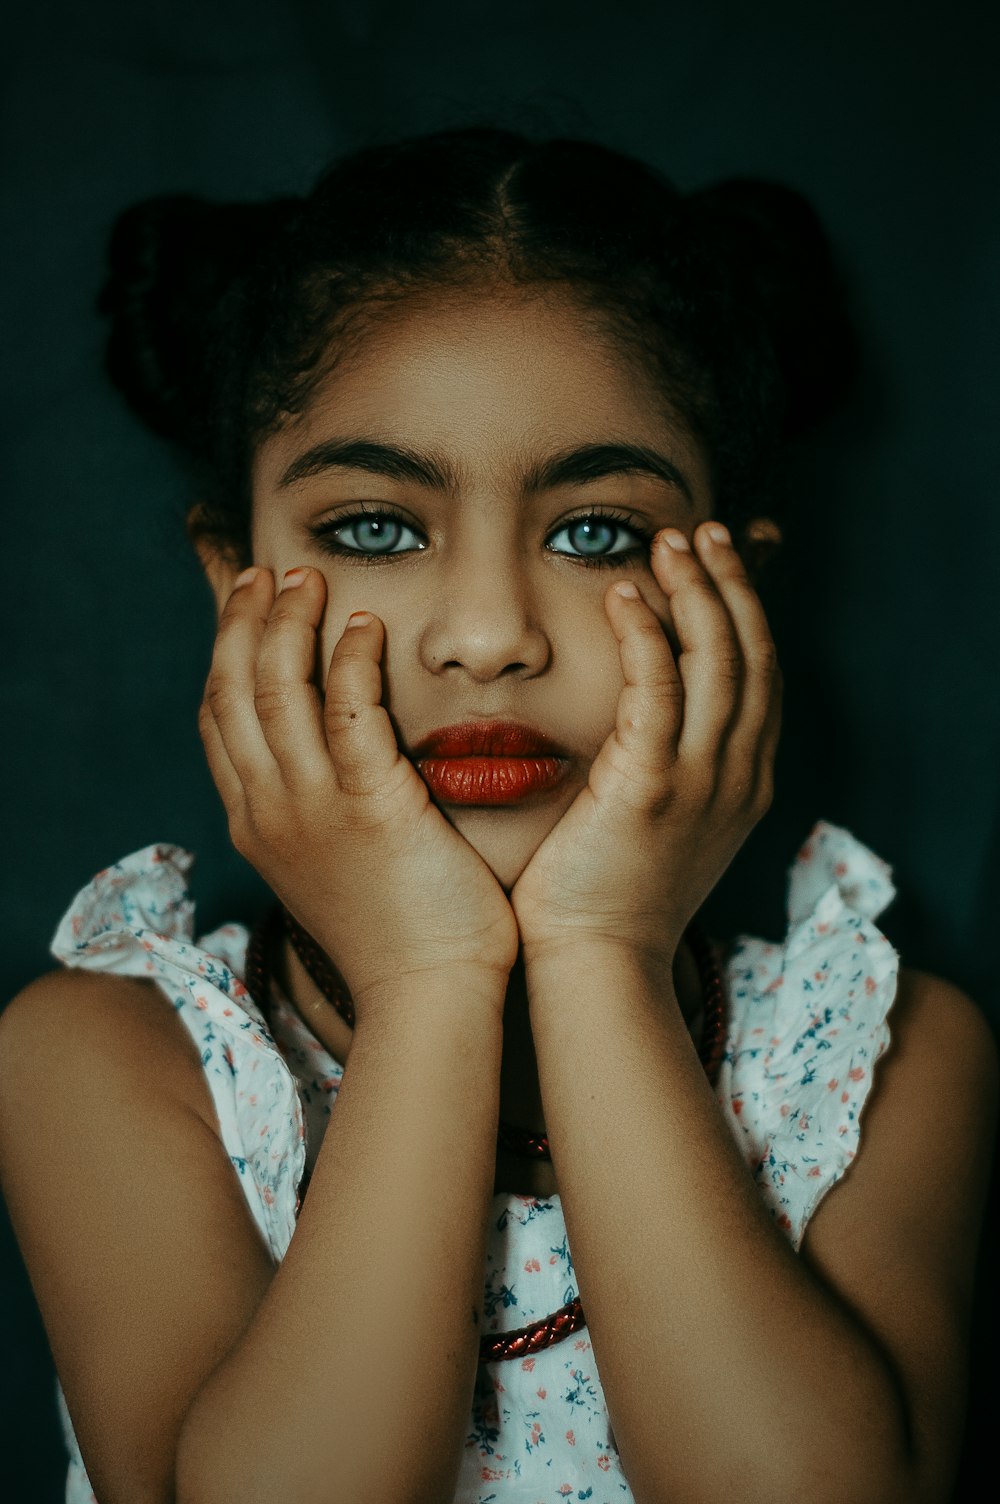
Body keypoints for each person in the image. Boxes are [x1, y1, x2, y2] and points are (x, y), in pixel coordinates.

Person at [0, 125, 994, 1504]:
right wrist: (425, 981)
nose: (486, 637)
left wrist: (599, 952)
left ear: (737, 595)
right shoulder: (109, 1060)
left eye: (594, 531)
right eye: (373, 529)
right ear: (231, 579)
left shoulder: (879, 1062)